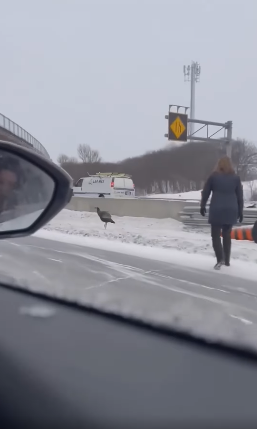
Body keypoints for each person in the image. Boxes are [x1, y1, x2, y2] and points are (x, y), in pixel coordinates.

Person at [200, 156, 244, 270]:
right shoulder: (236, 178)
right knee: (227, 235)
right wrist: (241, 211)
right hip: (231, 209)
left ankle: (220, 259)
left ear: (218, 165)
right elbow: (240, 196)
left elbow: (206, 192)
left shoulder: (213, 177)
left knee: (215, 235)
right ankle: (227, 261)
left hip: (217, 209)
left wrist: (202, 205)